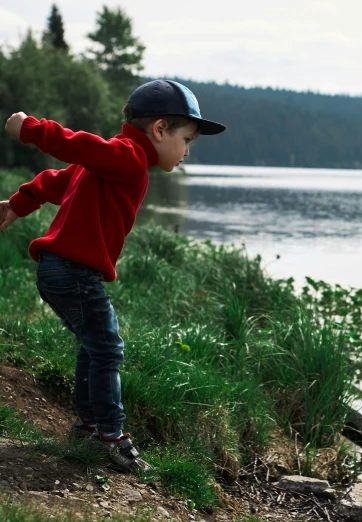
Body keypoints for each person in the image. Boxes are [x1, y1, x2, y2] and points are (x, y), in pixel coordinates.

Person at [0, 80, 225, 472]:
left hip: (58, 270)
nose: (187, 150)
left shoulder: (116, 162)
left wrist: (19, 204)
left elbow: (59, 180)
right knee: (107, 348)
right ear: (159, 130)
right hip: (72, 271)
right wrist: (31, 129)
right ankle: (113, 438)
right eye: (186, 139)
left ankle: (88, 427)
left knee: (94, 346)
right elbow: (79, 145)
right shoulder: (126, 156)